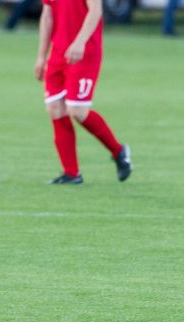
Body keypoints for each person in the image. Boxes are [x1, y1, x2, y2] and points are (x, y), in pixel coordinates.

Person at [35, 0, 132, 184]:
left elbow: (95, 11)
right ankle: (71, 173)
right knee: (55, 108)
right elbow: (47, 16)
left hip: (85, 52)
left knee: (77, 111)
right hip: (58, 53)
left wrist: (80, 42)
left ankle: (118, 151)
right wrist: (41, 57)